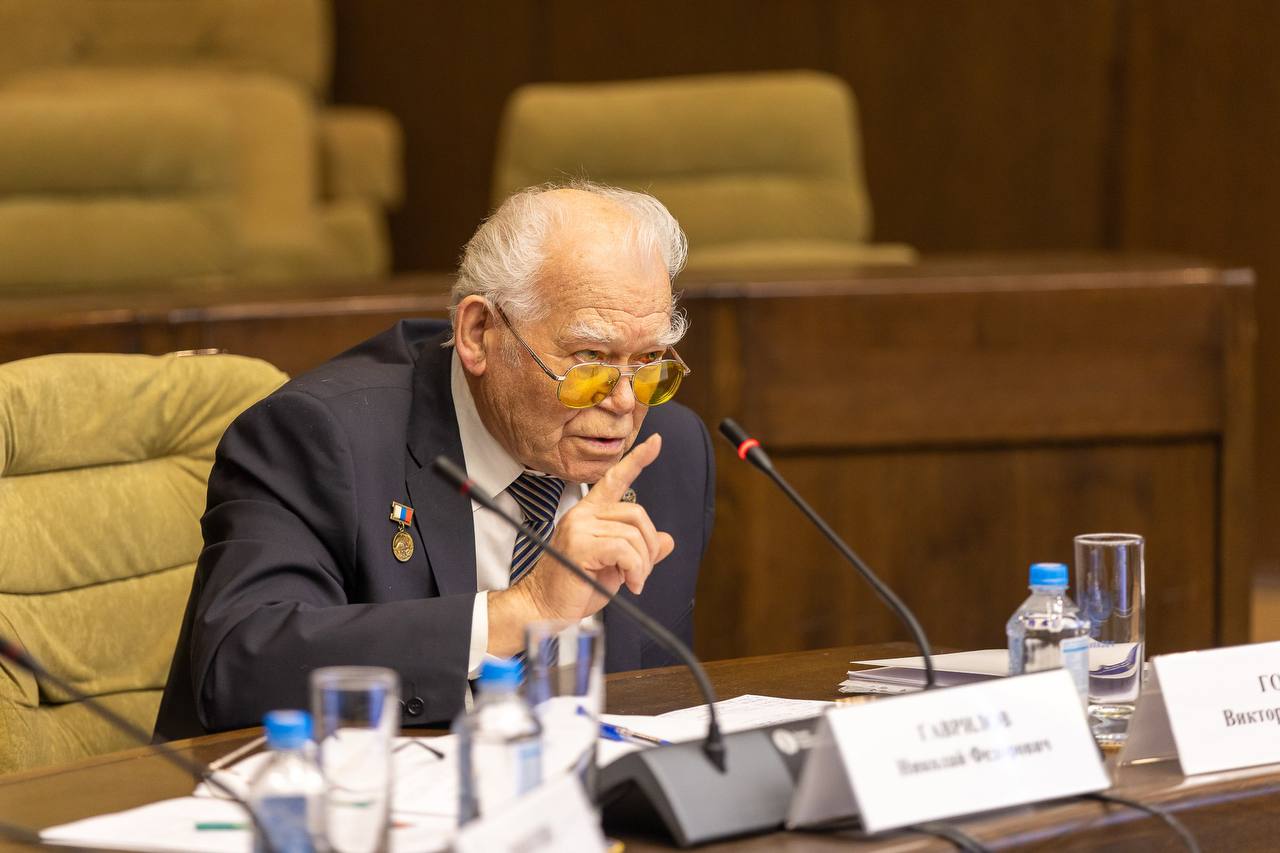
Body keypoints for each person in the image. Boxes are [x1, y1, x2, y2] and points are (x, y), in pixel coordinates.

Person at [154, 183, 714, 739]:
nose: (624, 402)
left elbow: (651, 702)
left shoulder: (670, 452)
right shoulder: (323, 436)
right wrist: (522, 610)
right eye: (589, 359)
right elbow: (238, 664)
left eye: (649, 360)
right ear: (478, 333)